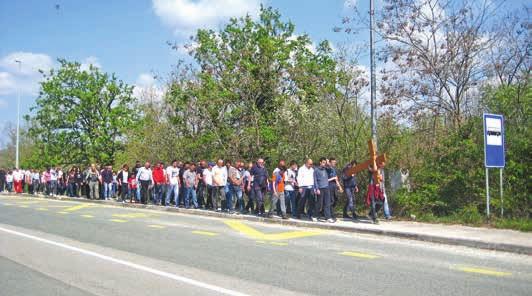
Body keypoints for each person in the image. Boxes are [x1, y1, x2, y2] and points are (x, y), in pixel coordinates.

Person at [314, 158, 334, 223]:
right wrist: (317, 189)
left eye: (325, 162)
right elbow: (315, 180)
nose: (324, 164)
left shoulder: (326, 169)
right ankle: (315, 216)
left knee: (327, 203)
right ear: (320, 162)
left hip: (326, 187)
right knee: (319, 203)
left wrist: (328, 163)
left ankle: (328, 217)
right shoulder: (316, 170)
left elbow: (331, 169)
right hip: (320, 188)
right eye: (323, 162)